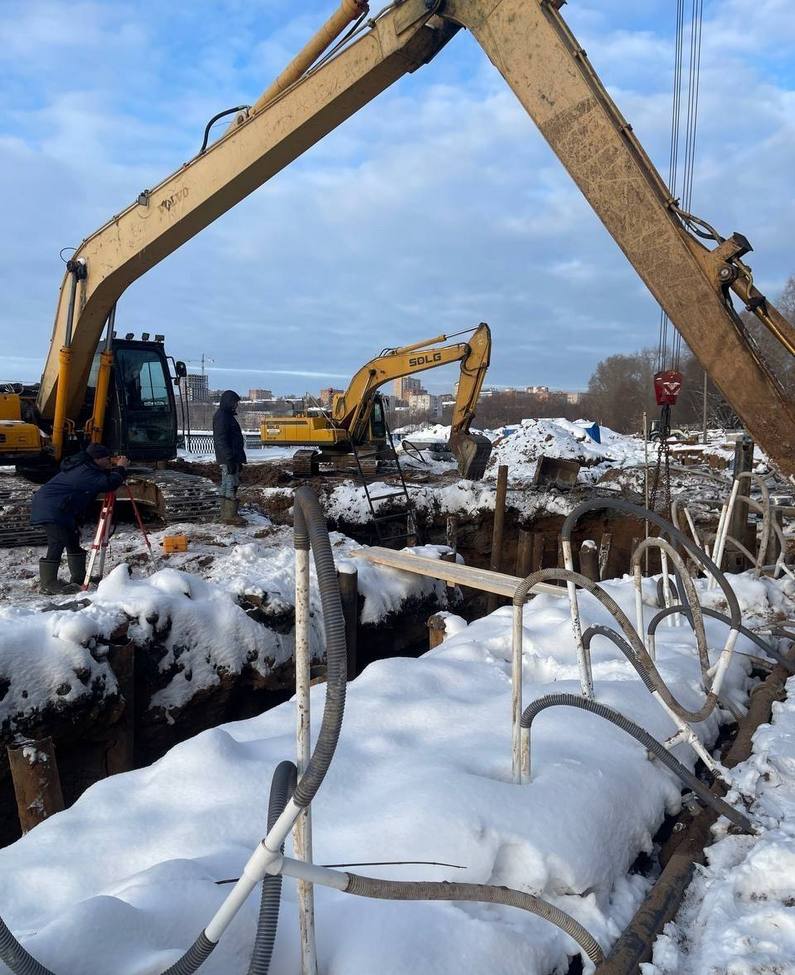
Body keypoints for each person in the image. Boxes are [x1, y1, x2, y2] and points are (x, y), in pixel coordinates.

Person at [30, 443, 129, 594]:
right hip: (51, 509)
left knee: (72, 539)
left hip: (63, 509)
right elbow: (107, 484)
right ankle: (48, 584)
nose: (110, 461)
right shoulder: (84, 471)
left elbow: (103, 479)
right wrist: (121, 468)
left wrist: (117, 471)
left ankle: (80, 577)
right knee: (58, 541)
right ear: (97, 459)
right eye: (107, 459)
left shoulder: (88, 467)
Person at [212, 389, 247, 525]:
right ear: (228, 402)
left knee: (229, 483)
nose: (236, 405)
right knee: (230, 483)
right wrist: (230, 458)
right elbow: (221, 440)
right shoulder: (222, 417)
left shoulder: (226, 416)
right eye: (234, 402)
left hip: (231, 457)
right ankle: (229, 515)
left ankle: (227, 513)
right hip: (228, 458)